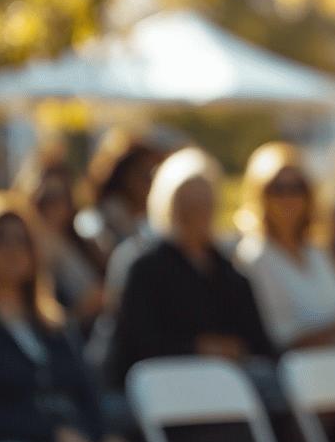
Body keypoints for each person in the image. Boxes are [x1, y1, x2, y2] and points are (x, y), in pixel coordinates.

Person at [0, 192, 124, 442]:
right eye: (0, 241)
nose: (13, 251)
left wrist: (101, 436)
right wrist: (51, 435)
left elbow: (85, 392)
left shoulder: (52, 322)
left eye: (22, 241)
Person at [102, 147, 276, 390]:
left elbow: (260, 343)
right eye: (187, 204)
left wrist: (234, 348)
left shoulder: (230, 273)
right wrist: (196, 348)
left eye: (204, 203)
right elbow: (137, 344)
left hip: (227, 390)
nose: (196, 213)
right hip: (167, 390)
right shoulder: (143, 267)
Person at [234, 142, 335, 350]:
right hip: (302, 372)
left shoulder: (316, 251)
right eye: (278, 189)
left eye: (297, 188)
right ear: (260, 194)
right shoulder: (255, 256)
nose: (288, 198)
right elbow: (278, 340)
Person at [14, 151, 105, 328]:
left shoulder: (85, 243)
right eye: (45, 199)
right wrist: (80, 312)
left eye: (61, 197)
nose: (54, 207)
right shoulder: (21, 252)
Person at [74, 130, 160, 261]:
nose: (152, 182)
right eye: (145, 175)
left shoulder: (151, 223)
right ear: (125, 176)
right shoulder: (93, 222)